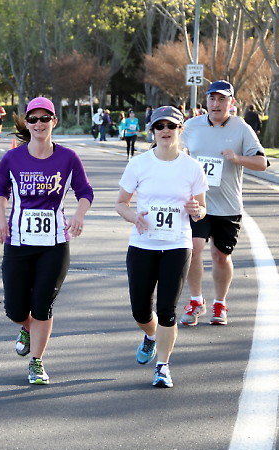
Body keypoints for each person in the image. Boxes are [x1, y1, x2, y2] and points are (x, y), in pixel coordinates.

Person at [0, 97, 94, 385]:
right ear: (26, 122)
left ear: (54, 122)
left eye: (44, 119)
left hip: (55, 244)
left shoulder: (68, 158)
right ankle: (26, 328)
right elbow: (0, 191)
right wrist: (0, 219)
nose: (38, 124)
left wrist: (79, 216)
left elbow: (85, 191)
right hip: (18, 242)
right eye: (33, 119)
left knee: (43, 306)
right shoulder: (12, 158)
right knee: (15, 310)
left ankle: (36, 362)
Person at [115, 106, 207, 388]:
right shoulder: (139, 164)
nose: (165, 131)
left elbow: (202, 209)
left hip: (177, 245)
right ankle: (151, 335)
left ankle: (163, 366)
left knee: (167, 309)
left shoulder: (192, 167)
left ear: (180, 130)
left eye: (171, 126)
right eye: (160, 126)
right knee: (141, 311)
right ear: (152, 132)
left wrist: (196, 210)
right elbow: (121, 203)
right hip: (142, 245)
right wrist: (133, 216)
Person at [180, 80, 267, 326]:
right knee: (193, 249)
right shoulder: (191, 126)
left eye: (221, 99)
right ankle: (196, 301)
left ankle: (220, 303)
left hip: (228, 205)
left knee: (220, 255)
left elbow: (262, 163)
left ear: (231, 103)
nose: (215, 104)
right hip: (197, 203)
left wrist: (237, 158)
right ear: (206, 101)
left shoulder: (242, 128)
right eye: (212, 99)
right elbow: (170, 149)